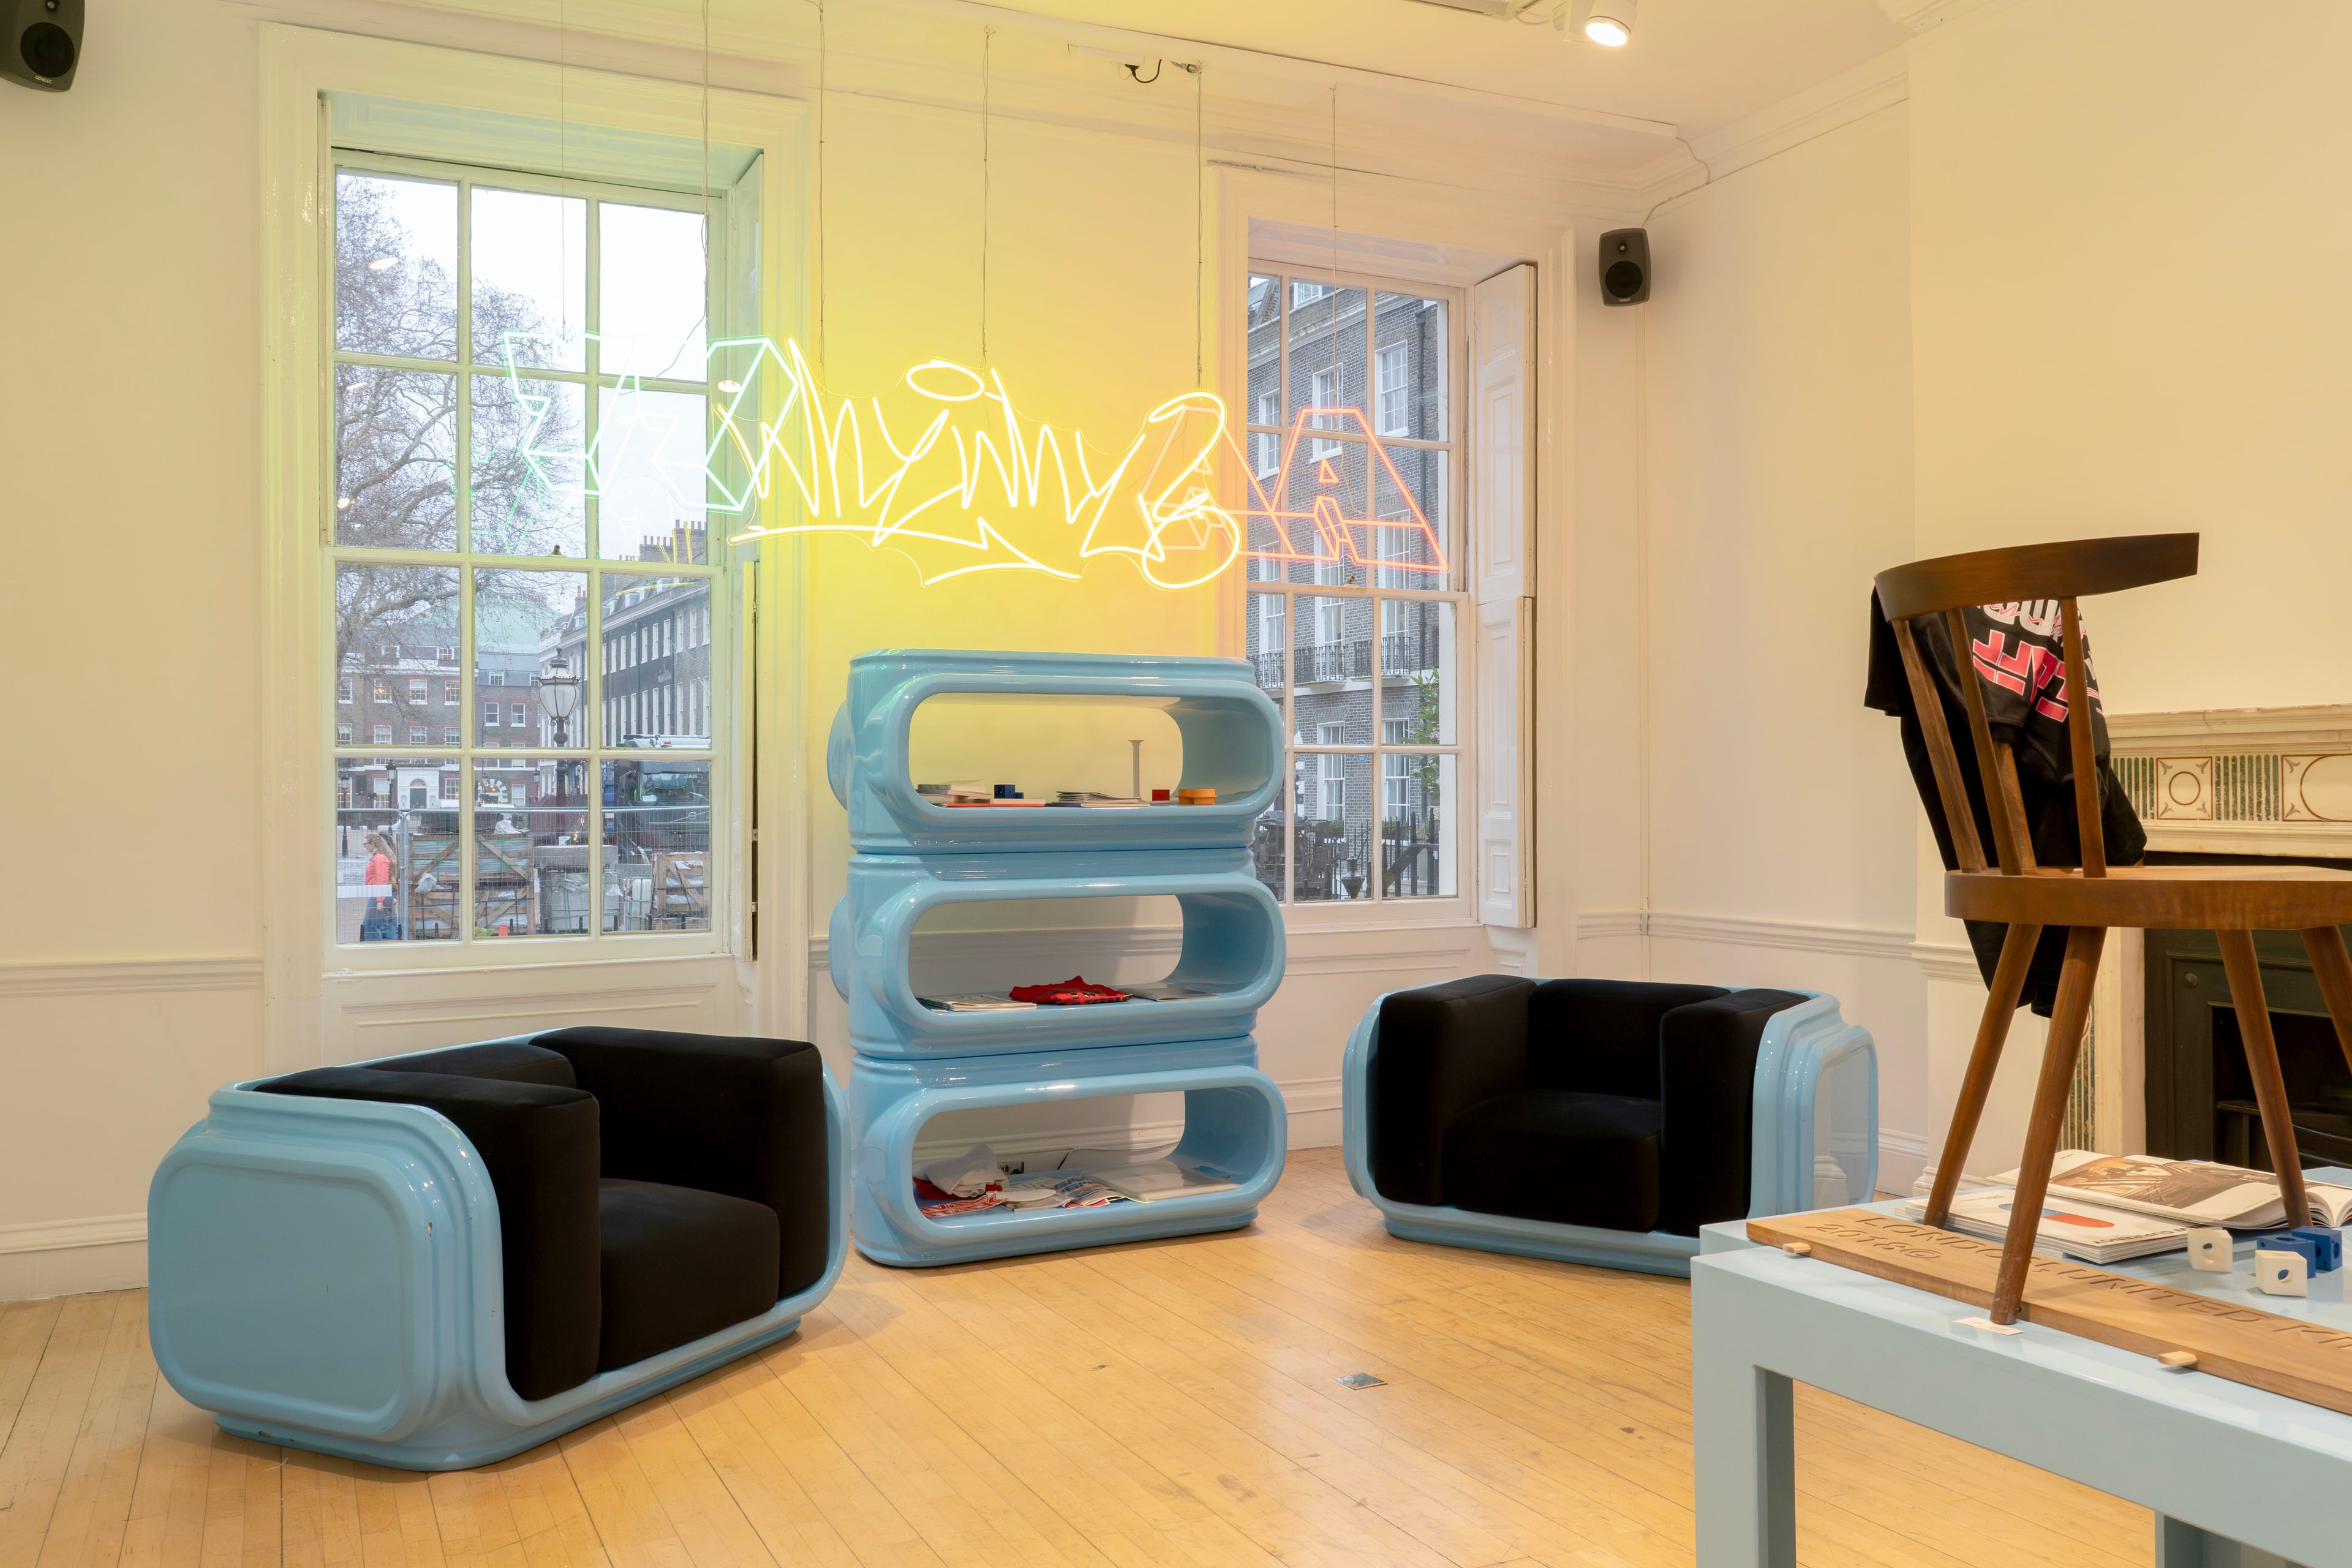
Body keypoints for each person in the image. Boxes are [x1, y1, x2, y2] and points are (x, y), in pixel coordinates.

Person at [361, 834, 396, 940]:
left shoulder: (380, 859)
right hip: (379, 895)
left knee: (371, 926)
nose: (365, 846)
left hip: (378, 895)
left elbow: (382, 880)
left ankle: (373, 947)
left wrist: (379, 901)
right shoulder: (378, 858)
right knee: (379, 925)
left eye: (365, 844)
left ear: (373, 844)